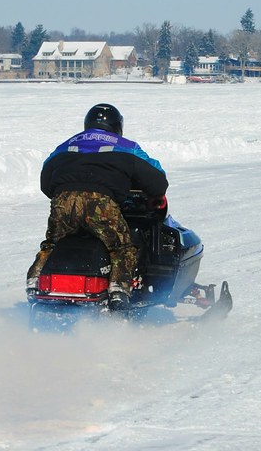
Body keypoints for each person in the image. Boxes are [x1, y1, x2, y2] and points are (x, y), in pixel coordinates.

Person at [27, 103, 168, 310]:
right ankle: (118, 290)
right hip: (100, 202)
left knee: (52, 244)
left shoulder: (66, 144)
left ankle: (34, 281)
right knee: (122, 248)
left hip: (63, 201)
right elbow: (157, 180)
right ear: (117, 126)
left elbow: (46, 182)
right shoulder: (126, 146)